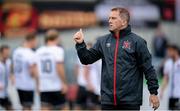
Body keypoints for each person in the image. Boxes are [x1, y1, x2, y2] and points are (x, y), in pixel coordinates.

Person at [73, 7, 159, 110]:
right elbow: (86, 59)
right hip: (107, 101)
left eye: (113, 18)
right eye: (109, 18)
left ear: (123, 22)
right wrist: (80, 44)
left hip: (130, 102)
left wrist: (153, 92)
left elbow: (148, 69)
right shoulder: (102, 41)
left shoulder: (138, 42)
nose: (109, 21)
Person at [36, 29, 68, 110]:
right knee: (64, 107)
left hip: (44, 87)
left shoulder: (39, 51)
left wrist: (38, 85)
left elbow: (36, 70)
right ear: (56, 38)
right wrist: (64, 83)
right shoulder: (58, 50)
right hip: (56, 86)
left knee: (45, 108)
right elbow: (59, 67)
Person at [12, 33, 38, 110]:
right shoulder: (30, 53)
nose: (36, 43)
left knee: (24, 106)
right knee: (28, 107)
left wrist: (13, 75)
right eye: (35, 41)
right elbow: (32, 72)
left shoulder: (17, 51)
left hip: (19, 84)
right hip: (27, 85)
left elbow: (13, 65)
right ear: (32, 41)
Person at [160, 45, 180, 110]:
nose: (168, 53)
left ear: (175, 51)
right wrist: (162, 91)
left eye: (170, 51)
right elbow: (166, 78)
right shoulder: (168, 63)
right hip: (171, 95)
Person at [0, 45, 13, 110]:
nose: (7, 54)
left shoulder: (9, 62)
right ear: (1, 53)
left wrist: (12, 76)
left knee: (10, 108)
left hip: (5, 92)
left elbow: (10, 72)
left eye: (8, 53)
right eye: (6, 53)